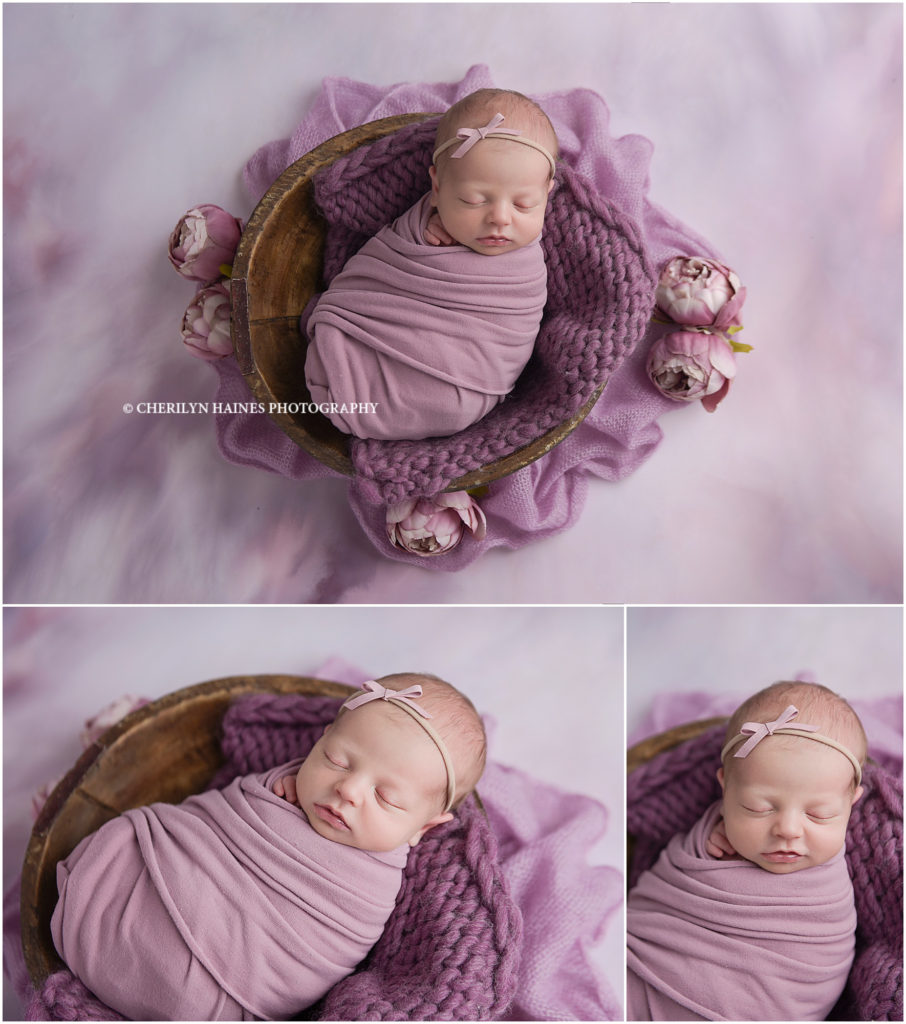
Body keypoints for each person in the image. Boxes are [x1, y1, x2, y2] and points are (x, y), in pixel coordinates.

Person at [51, 674, 485, 1021]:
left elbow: (325, 951)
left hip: (208, 995)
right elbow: (216, 818)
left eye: (387, 798)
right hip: (158, 891)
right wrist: (270, 792)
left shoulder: (374, 887)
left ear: (422, 828)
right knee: (119, 845)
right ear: (322, 738)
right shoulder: (287, 785)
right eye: (336, 759)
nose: (347, 789)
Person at [303, 88, 559, 440]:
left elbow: (511, 330)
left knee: (454, 403)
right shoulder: (421, 223)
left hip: (466, 385)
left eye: (524, 204)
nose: (500, 219)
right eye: (472, 200)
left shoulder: (524, 268)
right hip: (373, 337)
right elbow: (385, 267)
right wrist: (420, 230)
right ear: (436, 188)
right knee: (336, 344)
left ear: (547, 194)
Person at [627, 680, 865, 1021]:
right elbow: (662, 897)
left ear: (851, 804)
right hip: (649, 974)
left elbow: (817, 973)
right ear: (725, 790)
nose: (788, 829)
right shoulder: (710, 834)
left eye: (819, 814)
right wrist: (706, 840)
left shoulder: (827, 892)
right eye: (757, 807)